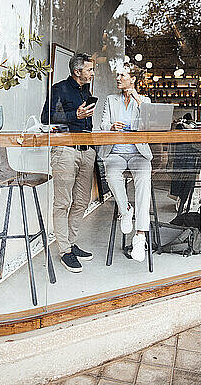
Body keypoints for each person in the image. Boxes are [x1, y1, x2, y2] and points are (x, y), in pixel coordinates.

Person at [41, 53, 96, 273]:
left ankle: (71, 243)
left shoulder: (86, 90)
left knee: (82, 201)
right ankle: (64, 251)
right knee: (62, 202)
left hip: (86, 150)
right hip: (64, 151)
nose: (92, 72)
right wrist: (76, 114)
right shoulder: (59, 89)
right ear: (77, 71)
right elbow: (47, 117)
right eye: (89, 69)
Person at [98, 64, 152, 262]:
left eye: (122, 75)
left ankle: (140, 236)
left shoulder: (144, 101)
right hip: (116, 152)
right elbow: (102, 124)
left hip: (139, 153)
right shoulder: (111, 100)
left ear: (133, 79)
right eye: (118, 75)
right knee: (111, 173)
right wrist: (111, 126)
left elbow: (150, 123)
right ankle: (125, 210)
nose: (118, 78)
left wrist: (138, 100)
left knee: (144, 181)